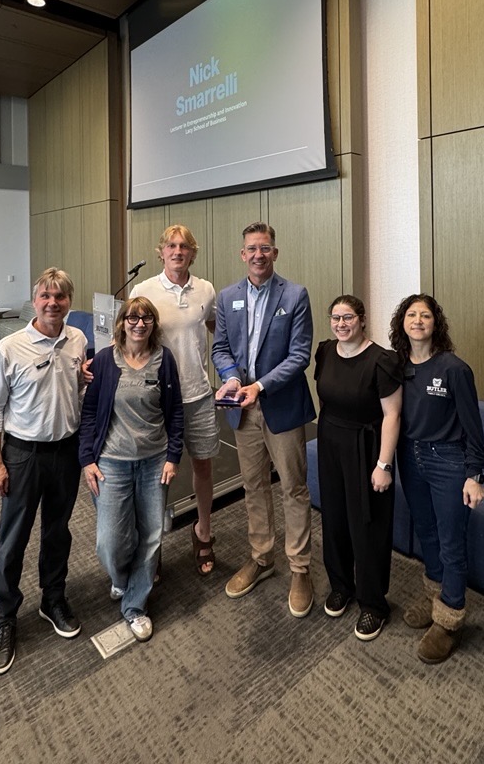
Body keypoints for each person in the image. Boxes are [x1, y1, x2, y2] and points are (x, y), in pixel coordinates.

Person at [0, 267, 87, 676]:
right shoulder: (9, 348)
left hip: (66, 451)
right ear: (35, 299)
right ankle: (5, 617)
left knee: (58, 532)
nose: (52, 303)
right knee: (13, 539)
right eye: (46, 296)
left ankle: (52, 599)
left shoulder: (77, 340)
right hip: (22, 455)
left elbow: (75, 390)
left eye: (60, 296)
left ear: (68, 302)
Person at [212, 222, 315, 617]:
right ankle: (261, 556)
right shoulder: (228, 297)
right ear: (243, 254)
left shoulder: (295, 295)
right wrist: (235, 379)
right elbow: (220, 347)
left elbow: (299, 354)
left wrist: (261, 387)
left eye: (265, 248)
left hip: (280, 405)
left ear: (275, 253)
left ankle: (300, 568)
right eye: (252, 249)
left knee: (293, 487)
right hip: (242, 407)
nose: (258, 254)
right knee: (253, 486)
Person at [389, 293, 484, 664]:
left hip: (448, 461)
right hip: (410, 458)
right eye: (411, 314)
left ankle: (450, 619)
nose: (417, 320)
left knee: (450, 540)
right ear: (402, 322)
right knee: (426, 531)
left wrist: (474, 474)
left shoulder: (454, 369)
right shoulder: (397, 366)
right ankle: (436, 595)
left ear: (435, 323)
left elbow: (473, 429)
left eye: (425, 315)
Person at [79, 296, 183, 642]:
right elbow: (90, 412)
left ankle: (135, 605)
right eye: (132, 318)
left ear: (154, 325)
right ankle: (122, 578)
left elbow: (175, 411)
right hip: (111, 462)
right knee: (109, 540)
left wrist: (173, 456)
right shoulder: (105, 362)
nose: (139, 324)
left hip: (154, 460)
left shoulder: (163, 360)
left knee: (152, 535)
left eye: (146, 319)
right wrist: (87, 459)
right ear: (121, 322)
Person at [131, 224, 218, 576]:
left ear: (192, 253)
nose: (177, 251)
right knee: (156, 474)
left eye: (184, 246)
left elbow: (215, 328)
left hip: (198, 393)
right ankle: (151, 547)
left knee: (203, 465)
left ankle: (204, 532)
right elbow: (130, 336)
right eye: (171, 245)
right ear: (161, 251)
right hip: (156, 397)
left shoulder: (206, 290)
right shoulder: (144, 289)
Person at [314, 295, 402, 640]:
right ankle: (341, 586)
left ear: (362, 319)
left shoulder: (382, 361)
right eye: (335, 318)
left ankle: (373, 603)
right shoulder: (324, 351)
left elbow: (393, 415)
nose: (341, 324)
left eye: (348, 317)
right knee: (334, 517)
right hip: (330, 442)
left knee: (367, 525)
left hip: (367, 448)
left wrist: (384, 464)